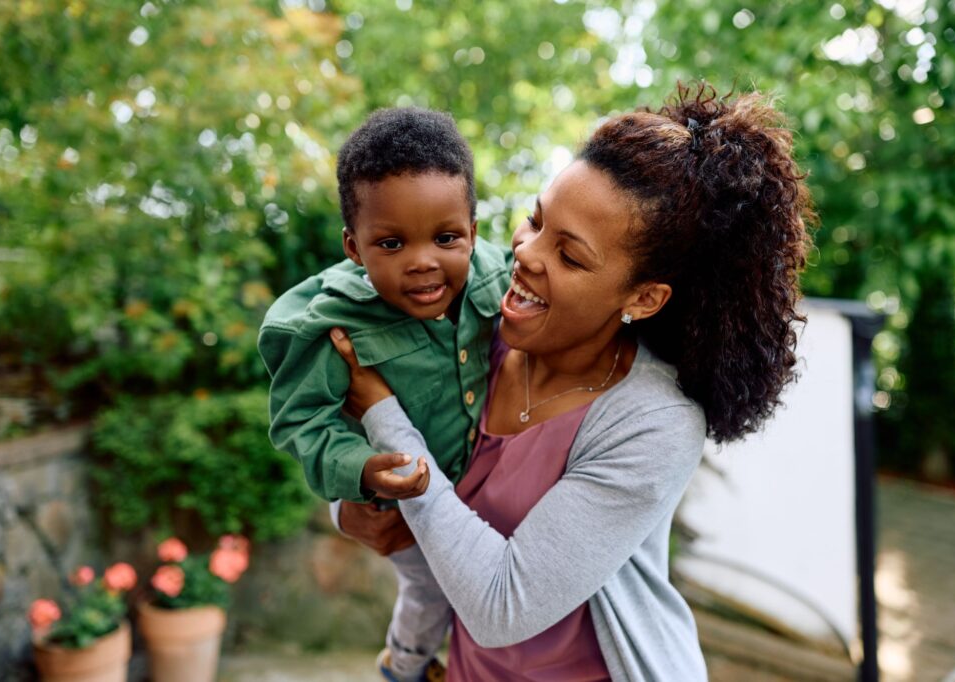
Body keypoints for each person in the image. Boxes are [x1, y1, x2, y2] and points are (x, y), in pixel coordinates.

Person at [329, 84, 815, 681]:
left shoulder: (653, 422)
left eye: (571, 256)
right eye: (535, 221)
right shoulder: (479, 324)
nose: (526, 254)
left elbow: (499, 606)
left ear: (644, 297)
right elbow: (372, 461)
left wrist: (381, 412)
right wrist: (349, 509)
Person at [257, 107, 510, 682]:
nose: (423, 261)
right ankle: (405, 665)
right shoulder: (331, 324)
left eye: (446, 238)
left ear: (473, 229)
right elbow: (302, 423)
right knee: (429, 589)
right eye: (391, 243)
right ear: (354, 246)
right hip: (401, 502)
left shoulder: (499, 279)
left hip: (478, 496)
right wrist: (365, 470)